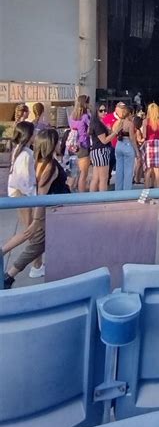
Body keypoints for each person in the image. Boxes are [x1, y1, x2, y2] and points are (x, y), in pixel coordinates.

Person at [2, 128, 70, 288]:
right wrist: (37, 220)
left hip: (49, 210)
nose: (61, 143)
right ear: (52, 144)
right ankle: (9, 275)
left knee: (33, 238)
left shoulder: (40, 161)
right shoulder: (49, 166)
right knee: (36, 243)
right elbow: (42, 195)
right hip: (49, 211)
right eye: (58, 141)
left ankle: (6, 261)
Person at [7, 120, 36, 232]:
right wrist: (33, 194)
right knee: (29, 227)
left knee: (27, 225)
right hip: (23, 193)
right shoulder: (25, 154)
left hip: (19, 192)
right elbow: (24, 178)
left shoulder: (20, 151)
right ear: (28, 135)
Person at [88, 105, 117, 192]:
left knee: (96, 178)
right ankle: (103, 198)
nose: (104, 112)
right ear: (96, 112)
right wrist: (115, 132)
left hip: (96, 151)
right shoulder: (98, 124)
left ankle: (91, 198)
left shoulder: (97, 123)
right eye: (101, 111)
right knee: (104, 178)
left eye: (105, 110)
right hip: (101, 151)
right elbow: (104, 140)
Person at [67, 95, 91, 192]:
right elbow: (91, 127)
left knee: (74, 172)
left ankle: (70, 190)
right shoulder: (85, 117)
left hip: (72, 146)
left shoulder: (71, 117)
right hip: (83, 145)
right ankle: (82, 195)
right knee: (83, 174)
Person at [142, 103, 159, 188]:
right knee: (157, 169)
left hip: (149, 143)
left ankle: (146, 189)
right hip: (158, 144)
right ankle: (158, 190)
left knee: (148, 169)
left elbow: (145, 135)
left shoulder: (145, 121)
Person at [114, 101, 139, 190]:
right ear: (130, 114)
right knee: (128, 170)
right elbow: (132, 138)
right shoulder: (130, 124)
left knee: (119, 169)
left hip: (118, 144)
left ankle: (118, 189)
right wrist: (137, 151)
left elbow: (113, 133)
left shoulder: (117, 123)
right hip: (127, 144)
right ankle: (126, 190)